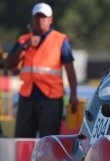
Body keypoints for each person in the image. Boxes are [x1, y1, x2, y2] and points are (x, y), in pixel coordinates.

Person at [6, 2, 78, 138]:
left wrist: (73, 94)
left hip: (51, 99)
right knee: (22, 141)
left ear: (50, 19)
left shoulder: (60, 40)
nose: (40, 20)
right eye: (37, 17)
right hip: (27, 98)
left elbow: (70, 69)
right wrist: (25, 46)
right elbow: (9, 64)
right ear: (32, 20)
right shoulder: (24, 40)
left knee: (49, 142)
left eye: (44, 17)